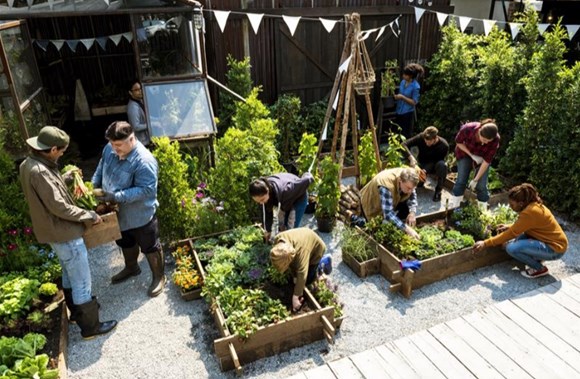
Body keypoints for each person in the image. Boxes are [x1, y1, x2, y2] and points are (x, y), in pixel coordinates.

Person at [19, 126, 117, 339]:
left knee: (68, 272)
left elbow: (47, 192)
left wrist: (64, 178)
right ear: (52, 149)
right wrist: (88, 215)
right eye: (61, 151)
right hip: (64, 233)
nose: (63, 153)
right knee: (81, 280)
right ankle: (91, 327)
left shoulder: (29, 164)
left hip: (53, 234)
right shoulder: (40, 171)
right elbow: (59, 207)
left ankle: (76, 314)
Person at [92, 121, 165, 297]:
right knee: (124, 241)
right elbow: (101, 167)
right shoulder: (110, 149)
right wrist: (93, 185)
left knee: (150, 246)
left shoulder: (144, 161)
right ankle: (132, 267)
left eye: (118, 145)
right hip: (119, 215)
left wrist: (116, 196)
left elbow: (146, 190)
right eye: (111, 144)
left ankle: (159, 277)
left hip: (140, 215)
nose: (114, 149)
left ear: (131, 139)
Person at [473, 183, 568, 278]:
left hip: (555, 249)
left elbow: (511, 234)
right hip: (549, 241)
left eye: (512, 204)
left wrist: (485, 243)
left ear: (521, 203)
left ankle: (539, 269)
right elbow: (528, 225)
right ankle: (538, 257)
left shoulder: (530, 212)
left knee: (511, 248)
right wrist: (510, 226)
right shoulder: (533, 206)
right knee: (518, 241)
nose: (510, 207)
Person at [270, 228, 331, 311]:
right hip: (303, 238)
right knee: (296, 275)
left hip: (316, 250)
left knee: (308, 280)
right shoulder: (279, 240)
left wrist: (295, 297)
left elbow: (302, 273)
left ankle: (323, 262)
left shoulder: (302, 252)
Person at [352, 167, 423, 239]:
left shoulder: (409, 178)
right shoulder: (386, 186)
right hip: (370, 203)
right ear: (400, 181)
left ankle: (399, 226)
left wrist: (412, 213)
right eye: (408, 188)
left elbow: (412, 195)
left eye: (413, 188)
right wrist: (407, 229)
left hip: (391, 197)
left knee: (406, 209)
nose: (411, 191)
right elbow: (388, 213)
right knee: (370, 227)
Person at [449, 118, 500, 209]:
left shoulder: (496, 139)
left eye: (488, 141)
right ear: (479, 131)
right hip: (465, 153)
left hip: (482, 158)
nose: (485, 143)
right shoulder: (467, 129)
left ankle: (482, 211)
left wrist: (475, 180)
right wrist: (471, 155)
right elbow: (458, 142)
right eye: (484, 140)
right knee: (461, 181)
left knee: (481, 186)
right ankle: (455, 208)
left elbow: (487, 161)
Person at [249, 172, 314, 241]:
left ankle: (291, 246)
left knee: (290, 230)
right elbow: (266, 212)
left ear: (268, 191)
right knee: (282, 226)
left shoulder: (287, 189)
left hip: (298, 198)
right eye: (258, 201)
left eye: (262, 200)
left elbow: (304, 182)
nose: (261, 203)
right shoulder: (263, 190)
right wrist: (267, 231)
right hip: (284, 200)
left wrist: (308, 176)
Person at [403, 126, 449, 202]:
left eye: (429, 141)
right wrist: (410, 157)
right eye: (425, 141)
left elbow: (435, 161)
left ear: (435, 138)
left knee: (442, 165)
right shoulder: (421, 137)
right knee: (417, 184)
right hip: (421, 164)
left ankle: (438, 191)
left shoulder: (444, 146)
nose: (426, 143)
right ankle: (421, 181)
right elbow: (404, 144)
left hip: (435, 166)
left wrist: (425, 171)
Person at [393, 63, 424, 138]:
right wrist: (396, 97)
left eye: (405, 74)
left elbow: (414, 102)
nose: (403, 76)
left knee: (405, 135)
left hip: (407, 113)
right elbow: (400, 94)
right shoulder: (403, 82)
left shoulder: (415, 86)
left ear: (410, 76)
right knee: (397, 133)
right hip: (399, 111)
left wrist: (402, 97)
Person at [127, 80, 151, 147]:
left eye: (140, 88)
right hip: (141, 142)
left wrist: (157, 120)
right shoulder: (133, 107)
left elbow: (145, 117)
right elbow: (136, 127)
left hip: (145, 140)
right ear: (130, 92)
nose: (140, 91)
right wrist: (150, 125)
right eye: (137, 90)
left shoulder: (139, 102)